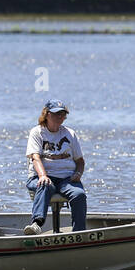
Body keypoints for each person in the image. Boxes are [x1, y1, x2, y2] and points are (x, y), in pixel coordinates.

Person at [24, 100, 87, 234]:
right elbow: (35, 157)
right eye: (56, 114)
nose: (60, 117)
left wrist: (78, 174)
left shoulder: (70, 133)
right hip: (40, 177)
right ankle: (36, 224)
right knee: (46, 184)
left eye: (63, 114)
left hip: (66, 178)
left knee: (79, 194)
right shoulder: (37, 132)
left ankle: (79, 233)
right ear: (46, 114)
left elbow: (80, 161)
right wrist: (42, 175)